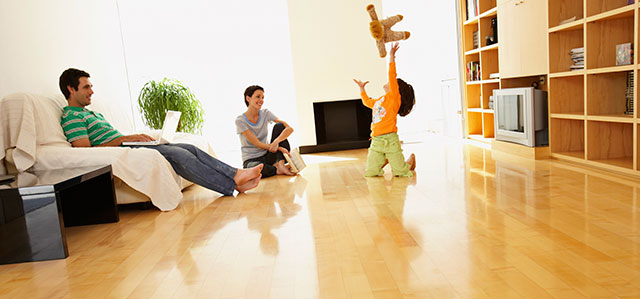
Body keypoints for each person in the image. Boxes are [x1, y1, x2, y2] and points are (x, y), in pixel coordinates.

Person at [58, 68, 262, 196]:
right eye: (86, 87)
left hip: (126, 143)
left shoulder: (91, 113)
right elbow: (83, 148)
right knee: (179, 154)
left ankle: (235, 175)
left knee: (189, 147)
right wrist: (124, 139)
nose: (91, 91)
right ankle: (233, 183)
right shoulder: (72, 116)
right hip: (121, 146)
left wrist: (133, 138)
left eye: (91, 86)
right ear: (71, 89)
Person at [353, 42, 416, 177]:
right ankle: (387, 158)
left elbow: (391, 74)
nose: (389, 82)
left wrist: (392, 56)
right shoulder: (380, 101)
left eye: (393, 82)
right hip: (376, 141)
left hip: (390, 140)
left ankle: (409, 162)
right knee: (371, 172)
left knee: (400, 172)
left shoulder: (394, 98)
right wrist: (362, 89)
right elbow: (367, 102)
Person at [235, 85, 296, 178]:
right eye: (258, 97)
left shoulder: (265, 113)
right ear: (248, 98)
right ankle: (277, 169)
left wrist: (276, 141)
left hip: (267, 155)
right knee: (255, 170)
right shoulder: (240, 121)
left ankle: (279, 164)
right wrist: (279, 148)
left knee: (279, 126)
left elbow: (289, 128)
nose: (261, 100)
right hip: (252, 160)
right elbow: (257, 143)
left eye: (263, 97)